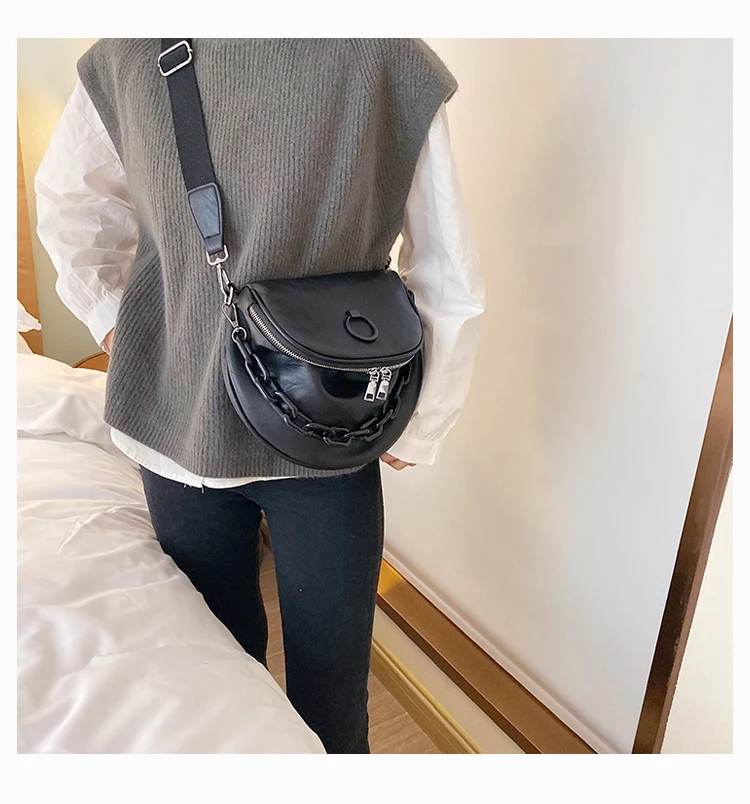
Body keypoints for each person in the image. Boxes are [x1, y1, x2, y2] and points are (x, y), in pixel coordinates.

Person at [35, 37, 485, 754]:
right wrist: (421, 422)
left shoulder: (133, 48)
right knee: (310, 690)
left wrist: (118, 323)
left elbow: (71, 205)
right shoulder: (387, 56)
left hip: (219, 428)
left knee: (238, 683)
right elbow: (448, 270)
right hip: (319, 419)